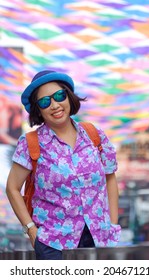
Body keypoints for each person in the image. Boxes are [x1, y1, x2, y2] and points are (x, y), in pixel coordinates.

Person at [6, 70, 121, 260]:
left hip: (100, 239)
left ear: (69, 96)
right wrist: (31, 230)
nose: (54, 105)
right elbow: (12, 188)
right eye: (45, 102)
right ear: (38, 109)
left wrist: (113, 225)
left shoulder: (95, 135)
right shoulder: (30, 143)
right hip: (54, 244)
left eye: (59, 96)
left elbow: (110, 178)